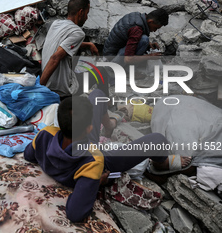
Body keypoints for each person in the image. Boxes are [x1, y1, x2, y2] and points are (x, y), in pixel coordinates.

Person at [24, 89, 191, 222]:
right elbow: (75, 213)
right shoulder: (94, 160)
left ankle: (110, 125)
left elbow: (28, 155)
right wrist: (98, 181)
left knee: (97, 95)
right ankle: (160, 164)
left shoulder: (45, 134)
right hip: (93, 157)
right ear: (90, 129)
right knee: (158, 140)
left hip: (76, 142)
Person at [40, 0, 104, 98]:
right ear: (81, 12)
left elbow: (64, 45)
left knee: (72, 53)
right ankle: (106, 107)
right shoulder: (78, 33)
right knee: (101, 72)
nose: (87, 18)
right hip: (61, 89)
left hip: (48, 81)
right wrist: (39, 88)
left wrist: (88, 44)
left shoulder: (56, 24)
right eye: (87, 14)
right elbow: (55, 57)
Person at [103, 9, 169, 67]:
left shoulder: (137, 16)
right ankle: (128, 70)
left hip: (109, 53)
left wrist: (149, 45)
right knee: (144, 39)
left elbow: (132, 36)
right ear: (150, 22)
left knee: (144, 40)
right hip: (112, 61)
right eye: (155, 28)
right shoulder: (136, 29)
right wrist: (150, 56)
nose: (155, 31)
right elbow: (128, 59)